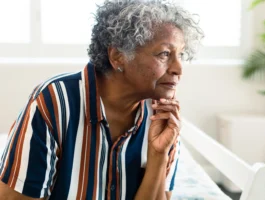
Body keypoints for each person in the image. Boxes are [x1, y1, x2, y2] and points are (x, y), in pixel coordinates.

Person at [0, 0, 202, 199]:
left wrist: (159, 154)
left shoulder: (162, 113)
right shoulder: (54, 101)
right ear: (118, 57)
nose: (179, 68)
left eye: (181, 55)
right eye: (164, 54)